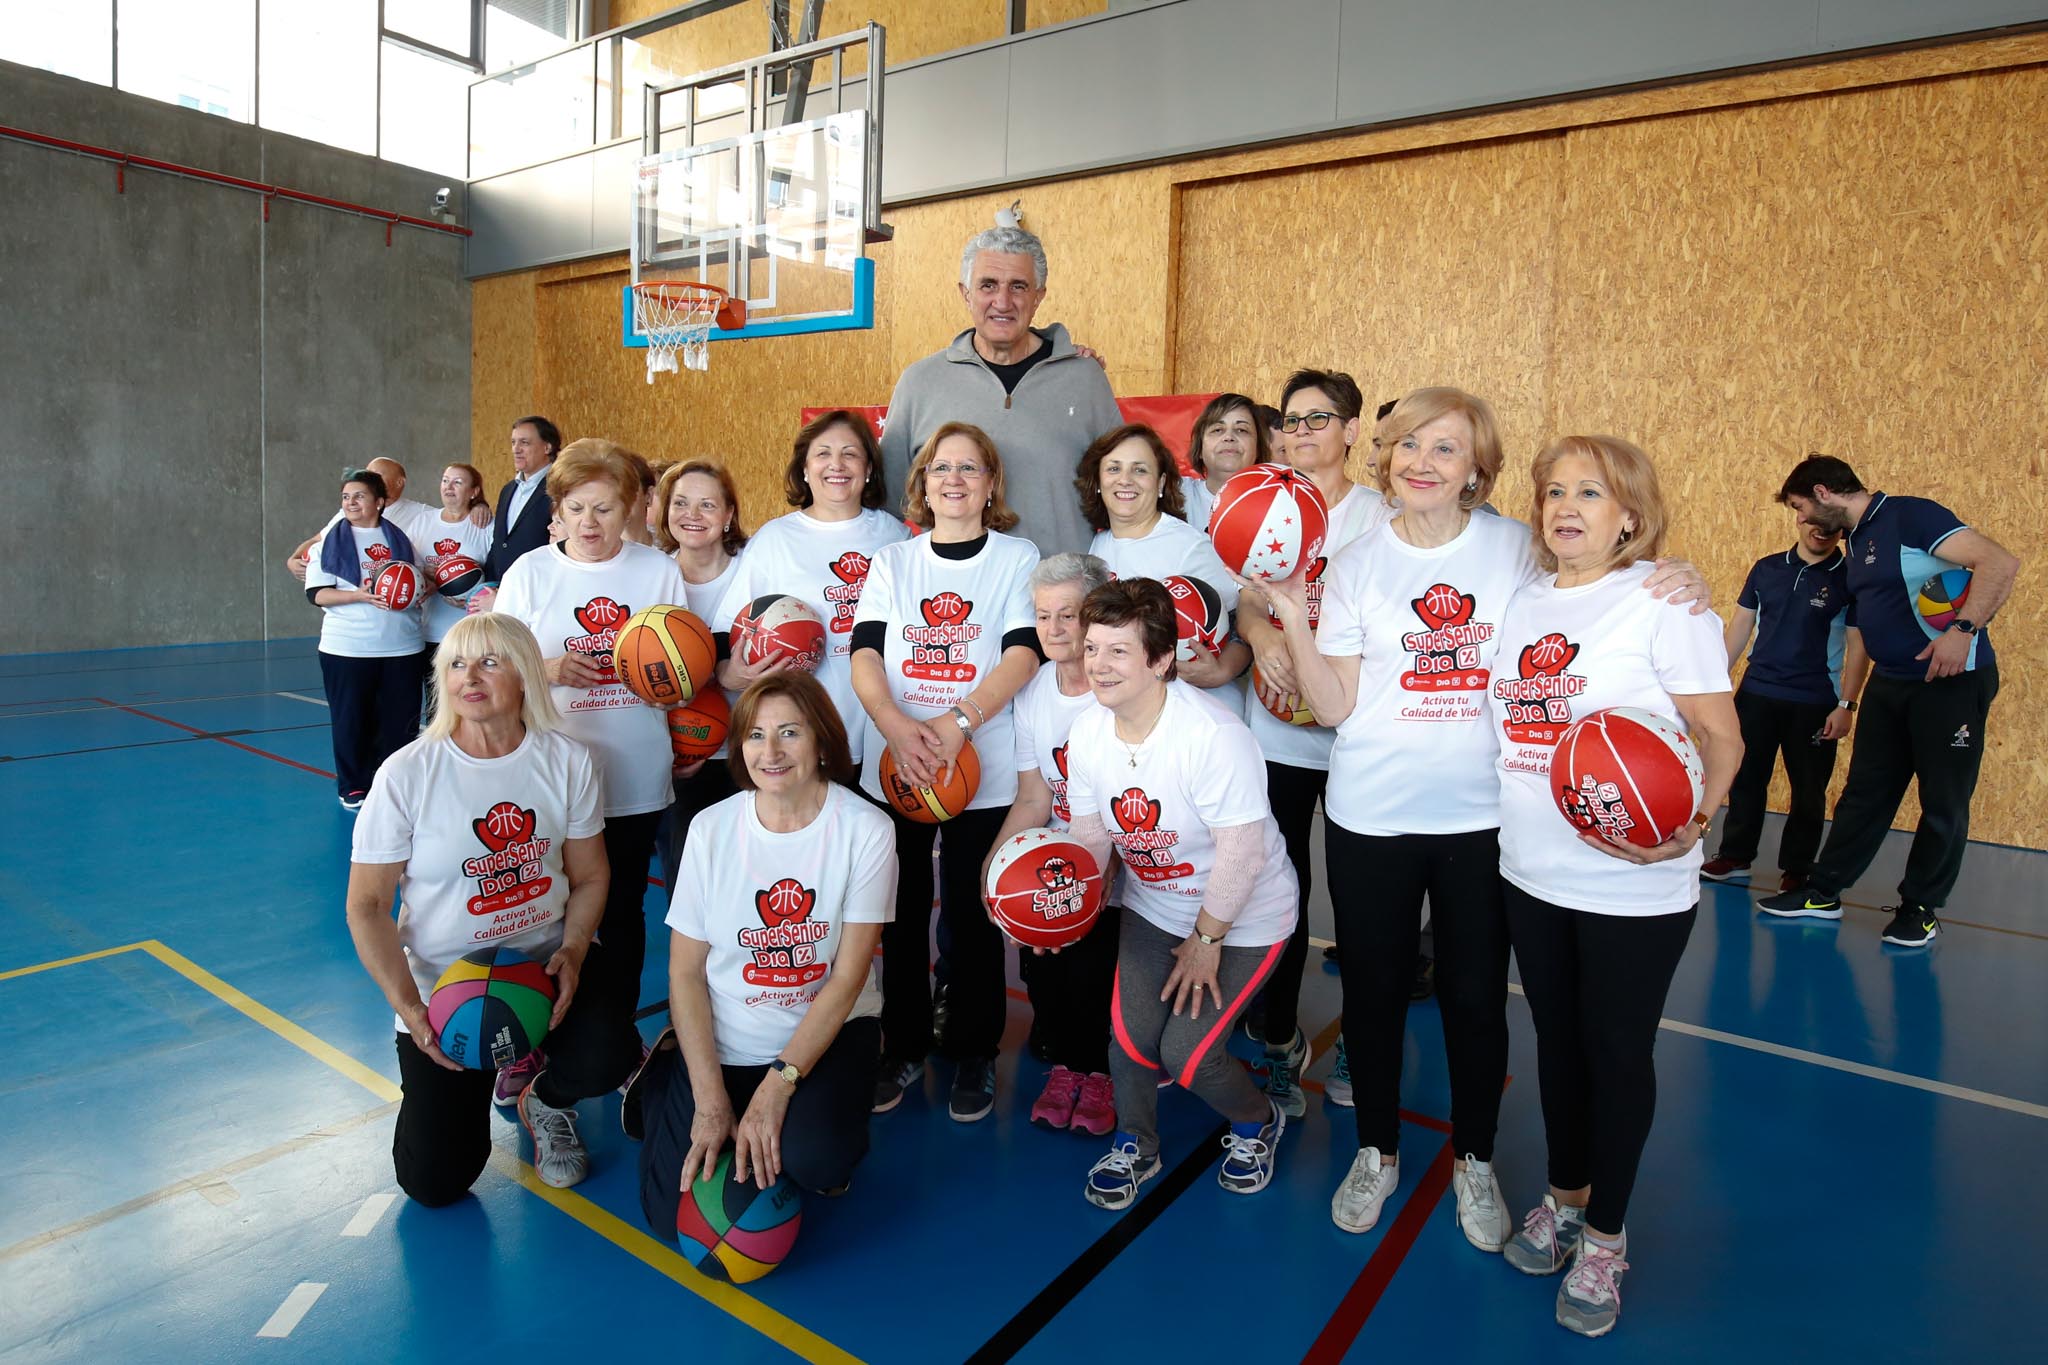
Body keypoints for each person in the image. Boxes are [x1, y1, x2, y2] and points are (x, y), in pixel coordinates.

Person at [1255, 386, 1523, 1244]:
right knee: (1370, 992)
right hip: (1372, 814)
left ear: (1476, 467)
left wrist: (1667, 572)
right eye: (1408, 444)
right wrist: (1295, 616)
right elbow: (1333, 704)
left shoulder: (1515, 549)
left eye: (1444, 448)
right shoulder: (1360, 559)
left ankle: (1474, 1159)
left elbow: (1596, 591)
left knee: (1476, 997)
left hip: (1482, 816)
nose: (1421, 462)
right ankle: (1376, 1148)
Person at [1489, 435, 1740, 1339]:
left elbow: (1724, 740)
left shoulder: (1664, 604)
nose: (1567, 507)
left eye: (1589, 493)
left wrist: (1692, 825)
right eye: (1554, 490)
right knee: (1557, 1044)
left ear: (1629, 513)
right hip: (1531, 868)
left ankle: (1605, 1235)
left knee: (1616, 1053)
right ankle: (1563, 1197)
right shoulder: (1522, 599)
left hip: (1634, 884)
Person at [345, 613, 639, 1201]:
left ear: (526, 675)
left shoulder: (566, 760)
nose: (469, 677)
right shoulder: (407, 774)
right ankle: (489, 1069)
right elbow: (367, 906)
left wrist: (576, 950)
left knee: (609, 1055)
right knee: (434, 1182)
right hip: (451, 991)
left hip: (546, 966)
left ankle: (543, 1098)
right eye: (455, 663)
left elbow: (590, 876)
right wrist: (412, 1010)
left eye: (489, 661)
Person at [1060, 579, 1299, 1207]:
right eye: (1092, 648)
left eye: (1119, 651)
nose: (1099, 665)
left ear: (1162, 659)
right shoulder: (1087, 734)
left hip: (1243, 915)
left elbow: (1242, 855)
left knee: (1187, 1056)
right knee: (1133, 1041)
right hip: (1156, 905)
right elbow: (1090, 840)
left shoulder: (1212, 736)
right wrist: (1061, 914)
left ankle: (1257, 1121)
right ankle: (1137, 1143)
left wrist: (1206, 940)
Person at [633, 672, 895, 1216]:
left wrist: (778, 1087)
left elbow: (848, 979)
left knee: (816, 1162)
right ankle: (666, 1079)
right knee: (667, 1215)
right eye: (755, 735)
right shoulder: (710, 828)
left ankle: (821, 1117)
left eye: (790, 733)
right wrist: (710, 1099)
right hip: (727, 1032)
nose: (770, 751)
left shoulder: (866, 829)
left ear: (822, 741)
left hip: (823, 1032)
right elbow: (683, 972)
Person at [852, 422, 1039, 1122]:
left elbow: (1022, 655)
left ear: (991, 484)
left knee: (972, 913)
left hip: (979, 769)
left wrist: (957, 723)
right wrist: (898, 728)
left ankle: (974, 1050)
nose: (953, 479)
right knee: (898, 917)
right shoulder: (894, 562)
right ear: (922, 483)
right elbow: (865, 655)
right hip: (900, 764)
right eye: (940, 467)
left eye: (969, 467)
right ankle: (901, 1042)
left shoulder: (1017, 557)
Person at [1757, 454, 2017, 945]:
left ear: (1823, 494)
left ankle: (1919, 908)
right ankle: (1824, 891)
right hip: (1891, 681)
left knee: (1943, 800)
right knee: (1864, 793)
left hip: (1950, 683)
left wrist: (1963, 630)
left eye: (1800, 508)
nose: (1801, 521)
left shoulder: (1910, 515)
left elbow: (2000, 562)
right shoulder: (1855, 539)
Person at [1232, 369, 1391, 1113]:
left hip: (1360, 739)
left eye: (1318, 418)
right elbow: (1245, 596)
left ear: (1353, 430)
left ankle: (1362, 1038)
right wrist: (1262, 635)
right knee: (1278, 892)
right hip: (1280, 736)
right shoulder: (1264, 503)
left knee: (1362, 904)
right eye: (1290, 421)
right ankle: (1277, 1039)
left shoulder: (1383, 518)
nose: (1300, 432)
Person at [491, 439, 688, 1030]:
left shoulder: (657, 570)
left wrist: (661, 683)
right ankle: (532, 1032)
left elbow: (682, 675)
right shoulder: (529, 572)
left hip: (632, 770)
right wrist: (545, 669)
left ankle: (613, 1037)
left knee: (623, 910)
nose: (590, 522)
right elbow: (495, 667)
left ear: (629, 507)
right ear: (558, 509)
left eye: (604, 508)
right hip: (550, 775)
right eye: (577, 508)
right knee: (544, 912)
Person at [877, 218, 1121, 556]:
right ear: (965, 293)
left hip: (1061, 599)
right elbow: (887, 508)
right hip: (956, 600)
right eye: (988, 285)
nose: (1003, 301)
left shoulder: (1085, 379)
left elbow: (1124, 494)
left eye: (1018, 286)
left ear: (1039, 296)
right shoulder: (919, 382)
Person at [982, 553, 1122, 1136]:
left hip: (1120, 859)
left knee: (1087, 969)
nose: (1056, 630)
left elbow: (1128, 810)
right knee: (1038, 965)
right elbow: (1034, 798)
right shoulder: (1035, 690)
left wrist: (1081, 897)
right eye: (1044, 617)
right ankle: (1067, 1067)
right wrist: (992, 870)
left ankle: (1100, 1075)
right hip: (1055, 861)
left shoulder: (1117, 689)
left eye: (1070, 615)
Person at [712, 411, 910, 772]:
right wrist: (729, 674)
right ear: (804, 469)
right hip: (799, 732)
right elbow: (726, 628)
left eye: (850, 453)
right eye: (823, 454)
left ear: (868, 469)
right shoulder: (775, 539)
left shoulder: (895, 536)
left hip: (883, 729)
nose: (837, 464)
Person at [1702, 506, 1849, 891]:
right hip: (1757, 694)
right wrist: (1712, 686)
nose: (1822, 533)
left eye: (1832, 528)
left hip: (1815, 701)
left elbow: (1858, 644)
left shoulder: (1849, 578)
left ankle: (1797, 869)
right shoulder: (1766, 570)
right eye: (1816, 523)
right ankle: (1735, 855)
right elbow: (1739, 628)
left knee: (1808, 789)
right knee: (1746, 777)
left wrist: (1846, 704)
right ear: (1800, 519)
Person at [1077, 422, 1249, 690]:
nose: (1125, 479)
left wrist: (1223, 670)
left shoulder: (1189, 546)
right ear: (1098, 482)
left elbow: (1242, 625)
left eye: (1140, 470)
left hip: (1190, 704)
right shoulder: (1095, 545)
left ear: (1161, 483)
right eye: (1114, 468)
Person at [652, 459, 749, 891]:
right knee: (688, 884)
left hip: (752, 755)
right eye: (681, 503)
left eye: (707, 504)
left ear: (729, 514)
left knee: (749, 881)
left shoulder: (755, 567)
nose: (692, 515)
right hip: (682, 755)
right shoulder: (651, 575)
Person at [303, 468, 426, 809]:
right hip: (348, 647)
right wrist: (359, 595)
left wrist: (419, 591)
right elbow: (317, 594)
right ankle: (354, 785)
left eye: (359, 496)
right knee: (351, 719)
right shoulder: (330, 541)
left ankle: (394, 781)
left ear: (381, 502)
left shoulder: (400, 540)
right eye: (346, 497)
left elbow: (415, 581)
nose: (351, 503)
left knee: (400, 723)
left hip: (402, 645)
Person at [287, 456, 471, 582]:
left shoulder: (421, 514)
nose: (368, 479)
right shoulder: (350, 513)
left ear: (400, 482)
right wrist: (293, 559)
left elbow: (455, 514)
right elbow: (318, 540)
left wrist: (478, 506)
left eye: (376, 475)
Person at [479, 415, 563, 598]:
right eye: (513, 442)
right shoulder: (508, 490)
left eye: (524, 442)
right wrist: (488, 586)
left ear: (547, 447)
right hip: (499, 593)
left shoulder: (561, 488)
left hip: (539, 592)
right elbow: (500, 543)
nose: (516, 449)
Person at [420, 463, 496, 649]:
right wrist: (425, 574)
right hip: (429, 631)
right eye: (445, 481)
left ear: (474, 491)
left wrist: (475, 593)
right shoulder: (423, 520)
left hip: (471, 632)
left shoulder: (486, 525)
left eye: (457, 482)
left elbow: (497, 571)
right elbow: (409, 564)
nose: (448, 486)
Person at [1180, 392, 1269, 532]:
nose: (1229, 437)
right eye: (1217, 430)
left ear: (1258, 448)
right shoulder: (1177, 493)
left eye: (1241, 430)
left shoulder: (1277, 503)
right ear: (1200, 447)